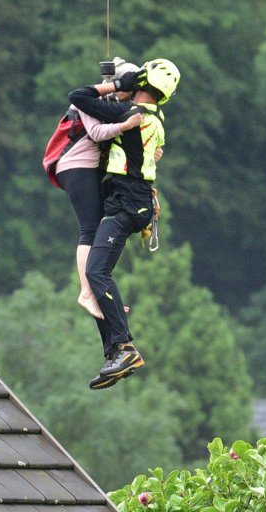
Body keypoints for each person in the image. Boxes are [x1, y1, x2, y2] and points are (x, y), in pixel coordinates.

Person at [68, 58, 180, 389]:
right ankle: (114, 351)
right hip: (133, 203)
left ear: (141, 83)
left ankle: (124, 347)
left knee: (96, 272)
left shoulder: (130, 115)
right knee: (96, 273)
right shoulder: (156, 118)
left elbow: (79, 95)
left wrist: (117, 85)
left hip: (125, 207)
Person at [54, 57, 144, 319]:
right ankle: (86, 292)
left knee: (103, 227)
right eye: (132, 86)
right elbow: (96, 133)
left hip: (91, 168)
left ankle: (101, 292)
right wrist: (126, 125)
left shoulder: (118, 105)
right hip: (76, 164)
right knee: (89, 229)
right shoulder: (91, 101)